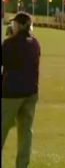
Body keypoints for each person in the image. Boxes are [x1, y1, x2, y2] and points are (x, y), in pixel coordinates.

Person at [2, 12, 41, 168]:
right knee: (25, 133)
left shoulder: (10, 44)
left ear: (18, 25)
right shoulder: (35, 43)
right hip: (31, 92)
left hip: (12, 92)